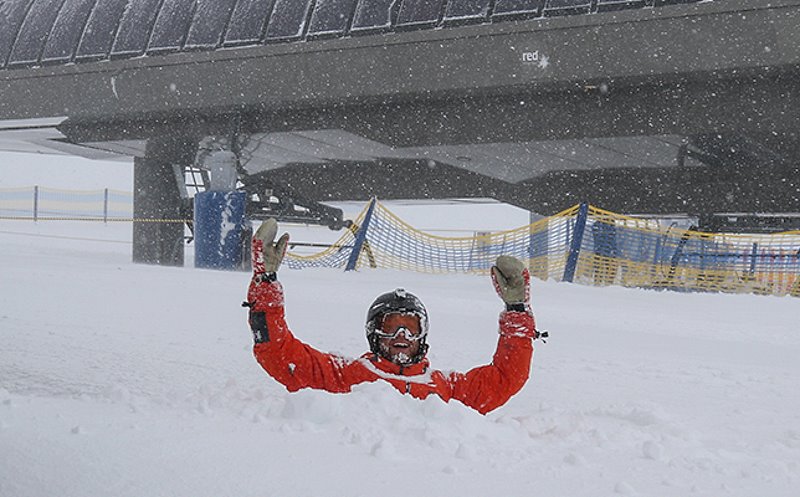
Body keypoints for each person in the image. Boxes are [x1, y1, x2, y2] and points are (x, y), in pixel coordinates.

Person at [244, 219, 542, 415]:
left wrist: (517, 311)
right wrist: (266, 281)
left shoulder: (446, 389)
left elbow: (505, 379)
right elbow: (278, 353)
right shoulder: (344, 376)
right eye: (391, 327)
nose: (402, 337)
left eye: (410, 328)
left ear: (422, 335)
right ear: (375, 334)